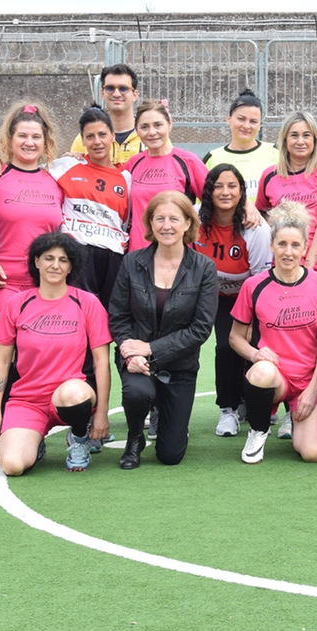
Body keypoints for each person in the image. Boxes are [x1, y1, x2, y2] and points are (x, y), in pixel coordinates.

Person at [107, 190, 219, 468]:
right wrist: (131, 353)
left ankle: (165, 413)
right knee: (137, 392)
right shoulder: (132, 262)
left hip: (179, 366)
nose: (166, 225)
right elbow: (118, 317)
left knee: (170, 455)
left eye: (173, 218)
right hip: (136, 360)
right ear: (150, 223)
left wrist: (151, 349)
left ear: (188, 224)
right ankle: (135, 437)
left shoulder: (204, 267)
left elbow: (200, 328)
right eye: (159, 218)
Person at [0, 232, 113, 475]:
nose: (55, 265)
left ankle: (78, 438)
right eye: (48, 258)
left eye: (63, 260)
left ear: (71, 266)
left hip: (68, 396)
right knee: (12, 466)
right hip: (27, 399)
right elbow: (1, 362)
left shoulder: (87, 303)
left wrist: (102, 414)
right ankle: (35, 440)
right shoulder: (17, 303)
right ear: (36, 262)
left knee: (74, 393)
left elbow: (101, 362)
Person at [229, 202, 317, 464]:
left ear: (305, 248)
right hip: (275, 377)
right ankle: (259, 428)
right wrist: (255, 354)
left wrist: (313, 389)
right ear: (272, 245)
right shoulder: (254, 285)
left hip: (309, 380)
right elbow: (234, 337)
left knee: (312, 453)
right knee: (261, 371)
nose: (288, 252)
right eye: (282, 244)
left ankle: (298, 419)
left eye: (295, 245)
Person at [196, 164, 271, 438]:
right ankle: (227, 409)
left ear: (242, 192)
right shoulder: (195, 221)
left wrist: (253, 320)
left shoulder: (256, 228)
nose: (225, 192)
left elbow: (262, 281)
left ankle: (253, 403)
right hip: (211, 296)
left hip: (247, 296)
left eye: (232, 186)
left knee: (251, 343)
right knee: (226, 346)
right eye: (218, 186)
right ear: (208, 191)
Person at [0, 103, 64, 334]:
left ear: (45, 141)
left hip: (46, 282)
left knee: (42, 351)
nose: (30, 142)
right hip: (4, 282)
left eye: (36, 136)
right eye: (23, 136)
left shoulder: (57, 179)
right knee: (11, 353)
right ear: (10, 139)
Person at [48, 106, 131, 308]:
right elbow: (27, 168)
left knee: (108, 320)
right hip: (77, 252)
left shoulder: (127, 178)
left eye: (102, 134)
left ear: (112, 135)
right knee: (77, 315)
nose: (97, 142)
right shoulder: (65, 166)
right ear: (82, 140)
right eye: (90, 136)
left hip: (112, 258)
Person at [256, 111, 317, 288]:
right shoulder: (269, 176)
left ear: (315, 139)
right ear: (284, 140)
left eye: (306, 135)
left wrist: (308, 265)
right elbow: (261, 217)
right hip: (285, 262)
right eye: (294, 135)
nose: (300, 141)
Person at [123, 100, 209, 252]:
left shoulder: (189, 162)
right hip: (137, 255)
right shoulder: (132, 164)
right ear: (136, 130)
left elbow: (215, 201)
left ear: (169, 124)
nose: (151, 132)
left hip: (177, 254)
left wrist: (246, 206)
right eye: (144, 127)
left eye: (158, 125)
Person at [202, 89, 279, 202]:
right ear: (228, 119)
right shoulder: (213, 158)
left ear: (259, 125)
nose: (246, 126)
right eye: (241, 119)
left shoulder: (276, 153)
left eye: (253, 121)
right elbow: (204, 201)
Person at [69, 64, 143, 164]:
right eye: (110, 88)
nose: (116, 94)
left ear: (134, 95)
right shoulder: (87, 139)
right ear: (102, 93)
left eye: (123, 88)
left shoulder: (148, 136)